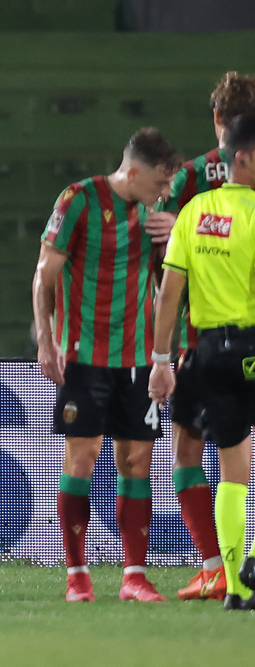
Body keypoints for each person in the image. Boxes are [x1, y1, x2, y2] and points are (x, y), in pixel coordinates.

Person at [32, 128, 180, 602]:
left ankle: (134, 576)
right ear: (134, 171)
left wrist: (175, 233)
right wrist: (46, 338)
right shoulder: (78, 199)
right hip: (84, 355)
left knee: (138, 461)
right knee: (84, 457)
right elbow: (44, 273)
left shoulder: (156, 216)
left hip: (137, 358)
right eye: (159, 183)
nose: (163, 192)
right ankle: (78, 575)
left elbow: (171, 285)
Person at [155, 71, 255, 601]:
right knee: (236, 459)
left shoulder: (190, 180)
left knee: (188, 450)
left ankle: (218, 566)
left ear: (217, 119)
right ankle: (236, 569)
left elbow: (161, 260)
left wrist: (159, 351)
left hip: (203, 339)